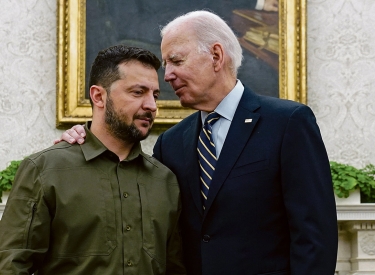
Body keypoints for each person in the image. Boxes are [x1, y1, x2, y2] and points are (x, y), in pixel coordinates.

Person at [56, 11, 338, 275]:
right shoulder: (171, 143)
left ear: (216, 56)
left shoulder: (287, 123)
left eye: (176, 61)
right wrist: (84, 136)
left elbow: (315, 236)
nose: (167, 75)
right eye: (166, 65)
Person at [0, 45, 186, 275]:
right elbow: (11, 265)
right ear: (99, 96)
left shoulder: (164, 180)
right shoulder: (45, 170)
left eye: (155, 95)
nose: (151, 106)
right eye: (138, 92)